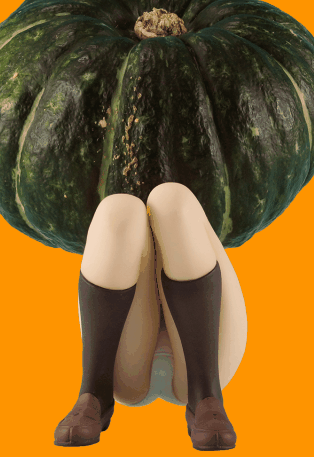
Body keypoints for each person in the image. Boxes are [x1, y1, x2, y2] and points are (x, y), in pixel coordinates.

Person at [53, 182, 248, 451]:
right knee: (116, 212)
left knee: (171, 201)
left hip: (210, 357)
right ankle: (93, 392)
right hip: (125, 371)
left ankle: (206, 394)